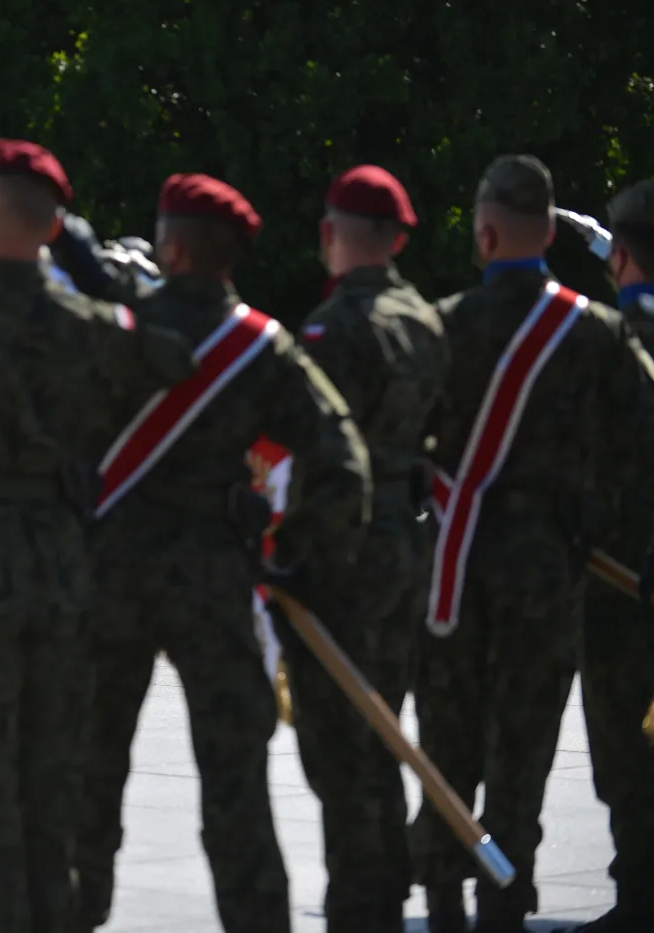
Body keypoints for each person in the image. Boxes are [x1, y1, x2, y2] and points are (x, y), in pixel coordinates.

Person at [0, 139, 201, 933]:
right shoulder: (88, 326)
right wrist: (100, 277)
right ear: (56, 227)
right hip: (65, 586)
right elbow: (178, 359)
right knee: (50, 817)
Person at [74, 173, 372, 933]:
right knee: (236, 784)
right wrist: (295, 555)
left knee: (86, 776)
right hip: (215, 576)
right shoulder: (261, 346)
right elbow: (342, 465)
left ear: (169, 247)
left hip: (105, 575)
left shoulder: (110, 325)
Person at [409, 156, 654, 933]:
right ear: (550, 235)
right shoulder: (597, 334)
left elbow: (394, 450)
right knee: (521, 771)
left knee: (449, 761)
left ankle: (444, 906)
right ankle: (504, 909)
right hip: (548, 576)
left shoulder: (439, 326)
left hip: (453, 573)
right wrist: (589, 512)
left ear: (484, 234)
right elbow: (643, 448)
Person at [266, 166, 448, 933]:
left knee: (342, 749)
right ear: (401, 238)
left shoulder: (334, 328)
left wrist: (294, 554)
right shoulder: (428, 321)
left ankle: (360, 904)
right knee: (381, 726)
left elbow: (322, 456)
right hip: (410, 546)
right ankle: (386, 884)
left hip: (345, 553)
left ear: (331, 235)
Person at [564, 179, 654, 933]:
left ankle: (642, 899)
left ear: (622, 254)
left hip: (624, 588)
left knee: (628, 750)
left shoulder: (609, 344)